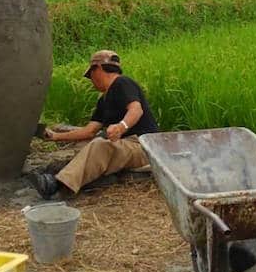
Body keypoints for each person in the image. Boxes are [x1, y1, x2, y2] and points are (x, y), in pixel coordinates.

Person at [28, 50, 159, 199]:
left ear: (98, 69)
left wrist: (121, 126)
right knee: (90, 145)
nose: (91, 80)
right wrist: (56, 136)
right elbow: (89, 131)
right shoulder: (103, 100)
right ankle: (55, 175)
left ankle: (55, 184)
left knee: (99, 145)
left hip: (143, 146)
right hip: (126, 147)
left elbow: (136, 109)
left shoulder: (122, 83)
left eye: (91, 75)